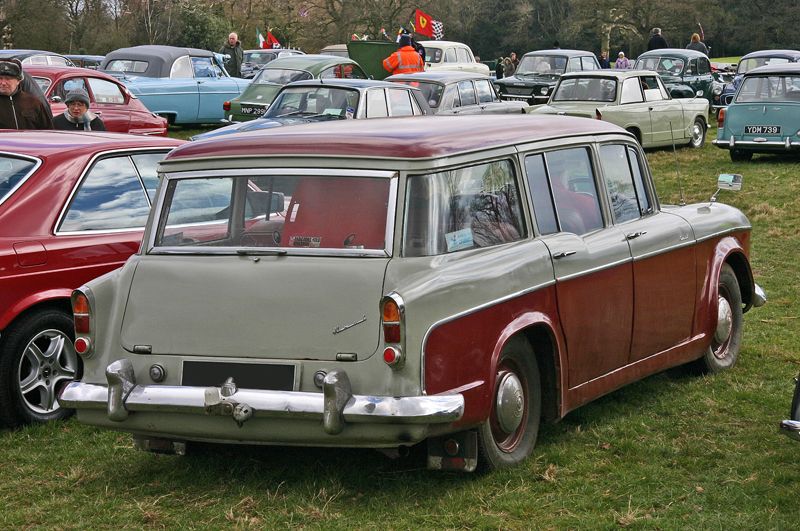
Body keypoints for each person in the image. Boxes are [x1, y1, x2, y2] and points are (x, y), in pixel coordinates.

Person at [0, 59, 53, 130]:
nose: (3, 83)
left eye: (8, 79)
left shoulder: (33, 103)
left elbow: (47, 130)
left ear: (18, 81)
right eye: (0, 78)